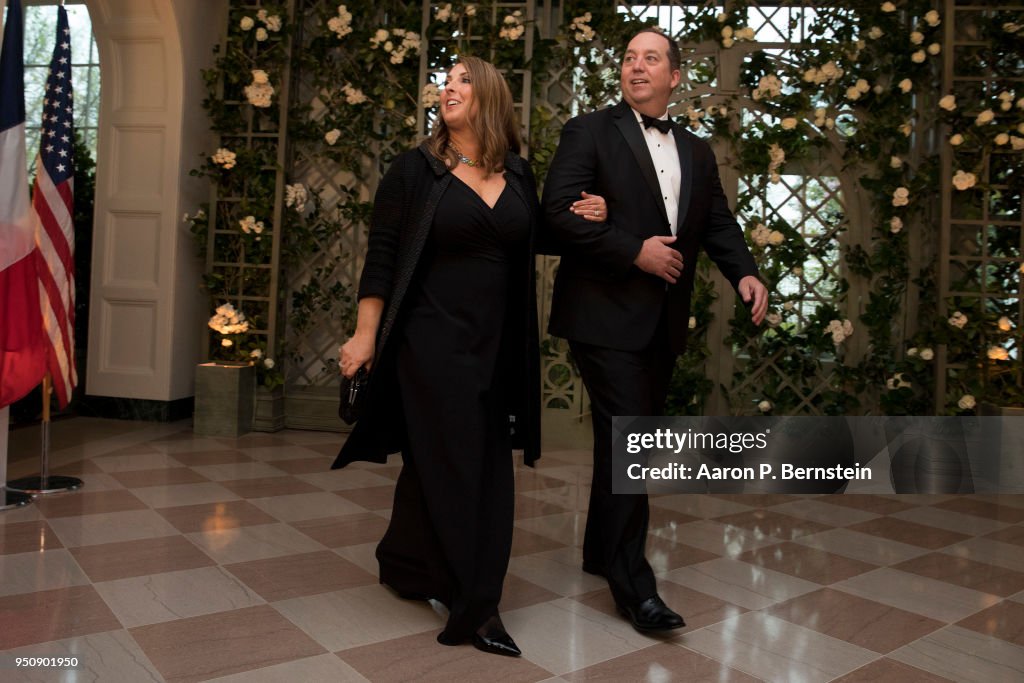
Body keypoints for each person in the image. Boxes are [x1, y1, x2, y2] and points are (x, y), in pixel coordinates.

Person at [332, 56, 607, 656]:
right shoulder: (415, 171)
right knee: (470, 472)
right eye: (444, 82)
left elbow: (538, 235)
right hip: (428, 344)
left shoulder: (520, 175)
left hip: (497, 349)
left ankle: (406, 563)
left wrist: (589, 214)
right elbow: (382, 256)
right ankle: (476, 607)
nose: (447, 89)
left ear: (489, 97)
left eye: (461, 81)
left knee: (444, 463)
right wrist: (364, 334)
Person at [540, 28, 768, 632]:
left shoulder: (695, 150)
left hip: (661, 321)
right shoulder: (588, 130)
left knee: (624, 441)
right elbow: (557, 211)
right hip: (600, 313)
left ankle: (597, 551)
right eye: (629, 58)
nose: (637, 67)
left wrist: (745, 273)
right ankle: (634, 589)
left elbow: (716, 221)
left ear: (673, 77)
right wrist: (631, 251)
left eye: (651, 59)